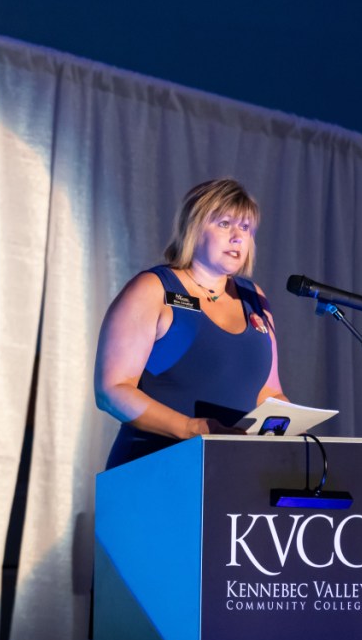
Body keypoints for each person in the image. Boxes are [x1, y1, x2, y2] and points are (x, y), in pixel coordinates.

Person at [94, 178, 288, 470]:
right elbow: (112, 390)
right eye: (225, 224)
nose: (238, 237)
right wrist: (192, 428)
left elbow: (269, 393)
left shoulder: (255, 298)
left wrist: (296, 431)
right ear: (194, 229)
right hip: (155, 468)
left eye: (246, 228)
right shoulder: (153, 289)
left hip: (231, 474)